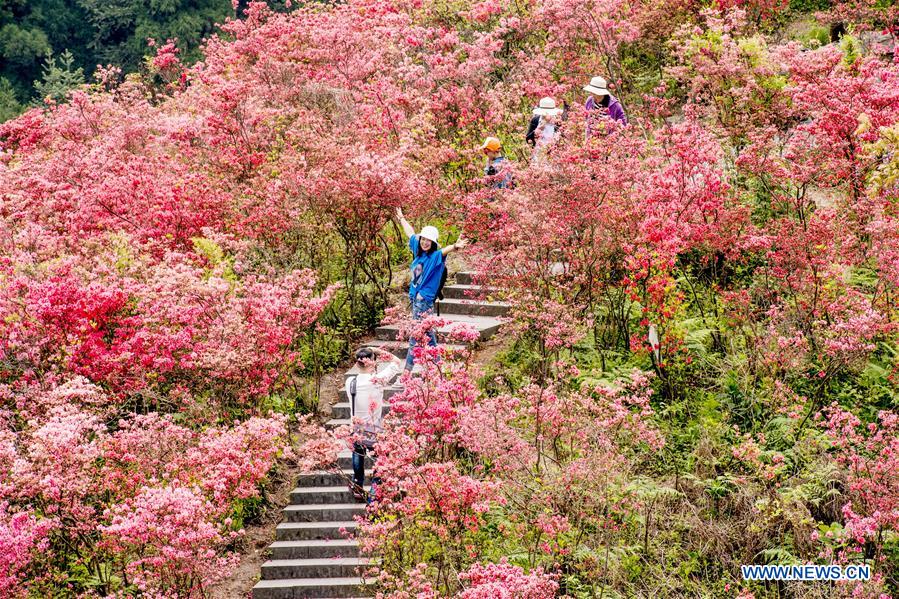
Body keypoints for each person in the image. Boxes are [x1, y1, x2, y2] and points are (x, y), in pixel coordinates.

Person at [394, 207, 467, 371]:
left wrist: (455, 245)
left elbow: (445, 250)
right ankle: (438, 366)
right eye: (423, 239)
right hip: (415, 299)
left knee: (416, 334)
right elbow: (410, 233)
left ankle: (407, 371)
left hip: (423, 301)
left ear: (433, 242)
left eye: (428, 241)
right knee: (427, 333)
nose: (425, 242)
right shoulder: (418, 251)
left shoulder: (435, 257)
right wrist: (401, 218)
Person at [346, 346, 403, 501]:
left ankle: (358, 485)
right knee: (381, 460)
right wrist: (376, 351)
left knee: (358, 452)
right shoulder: (378, 380)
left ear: (357, 364)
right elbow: (396, 361)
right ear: (372, 361)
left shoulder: (350, 382)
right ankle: (373, 492)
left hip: (357, 429)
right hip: (375, 429)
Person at [526, 97, 564, 167]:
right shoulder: (535, 120)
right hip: (538, 153)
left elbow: (563, 138)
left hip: (553, 154)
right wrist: (538, 129)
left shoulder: (557, 122)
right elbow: (528, 138)